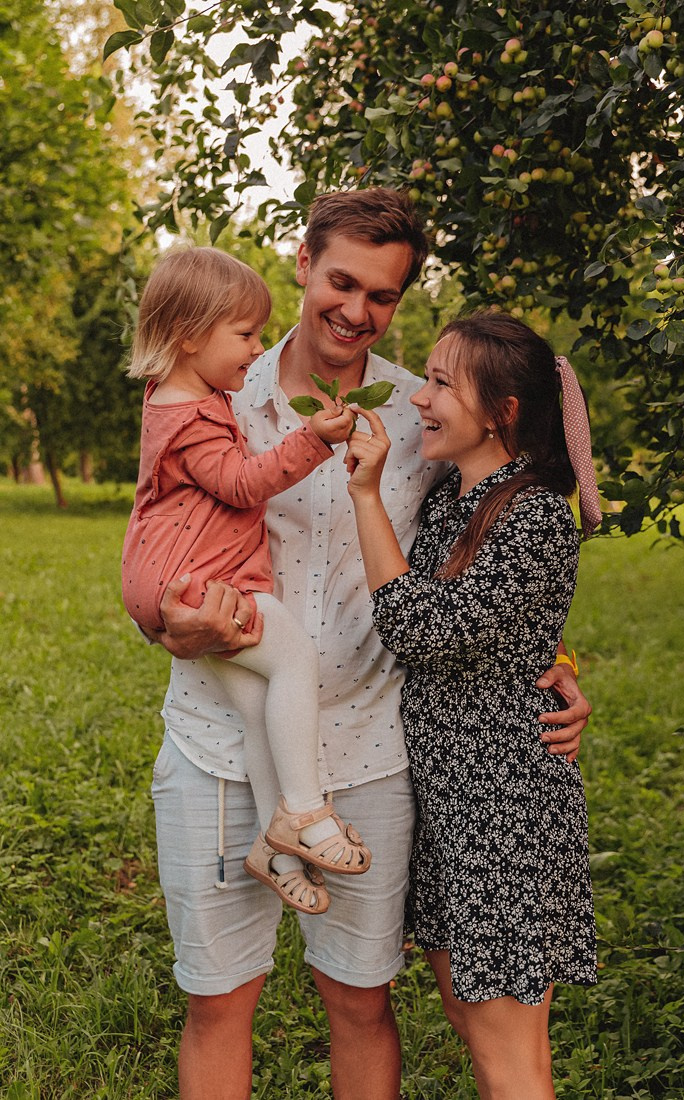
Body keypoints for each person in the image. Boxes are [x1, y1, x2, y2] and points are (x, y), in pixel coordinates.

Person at [144, 188, 592, 1100]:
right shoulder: (215, 393)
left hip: (369, 755)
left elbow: (487, 545)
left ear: (399, 302)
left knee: (358, 1003)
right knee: (219, 1005)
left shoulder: (424, 418)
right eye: (341, 282)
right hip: (218, 746)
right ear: (303, 265)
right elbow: (153, 538)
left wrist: (552, 670)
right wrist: (160, 623)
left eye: (381, 296)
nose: (355, 310)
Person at [344, 310, 599, 1099]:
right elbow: (514, 630)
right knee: (471, 1021)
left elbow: (423, 630)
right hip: (455, 810)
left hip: (502, 817)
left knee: (507, 1054)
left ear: (502, 411)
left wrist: (363, 496)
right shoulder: (459, 500)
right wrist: (560, 662)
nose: (419, 398)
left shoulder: (531, 516)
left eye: (441, 383)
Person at [122, 246, 371, 917]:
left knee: (260, 705)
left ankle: (276, 850)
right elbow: (239, 484)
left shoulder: (173, 396)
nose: (255, 347)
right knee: (292, 659)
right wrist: (314, 440)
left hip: (170, 580)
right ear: (188, 336)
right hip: (202, 584)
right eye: (244, 335)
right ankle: (306, 812)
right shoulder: (195, 415)